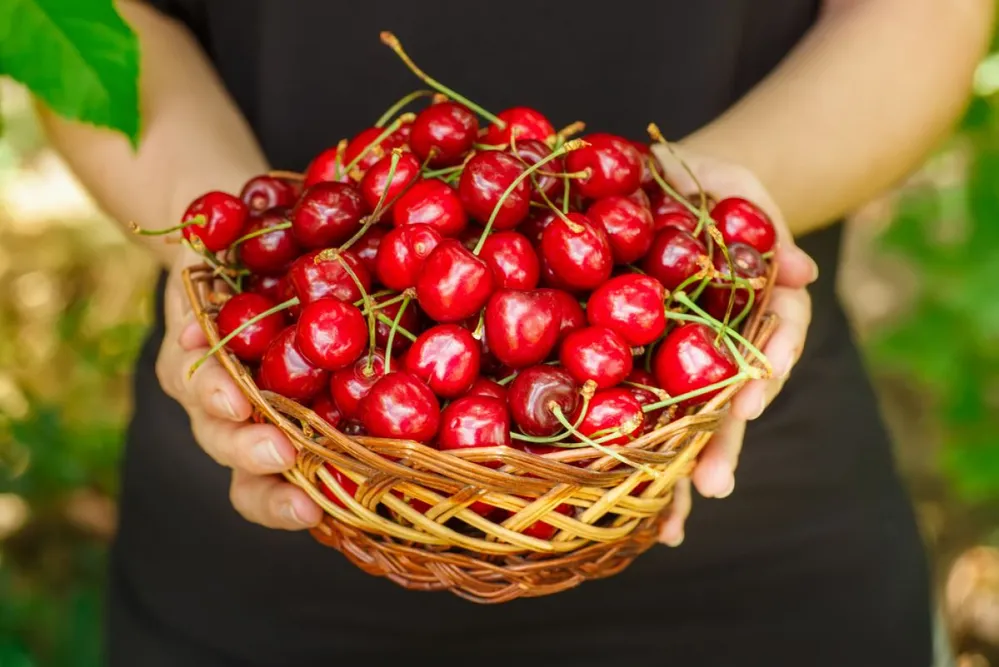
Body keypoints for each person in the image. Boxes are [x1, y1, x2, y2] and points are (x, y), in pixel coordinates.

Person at [38, 0, 991, 665]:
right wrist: (224, 241)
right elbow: (79, 17)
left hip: (754, 549)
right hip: (261, 538)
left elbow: (920, 8)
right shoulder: (322, 298)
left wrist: (723, 185)